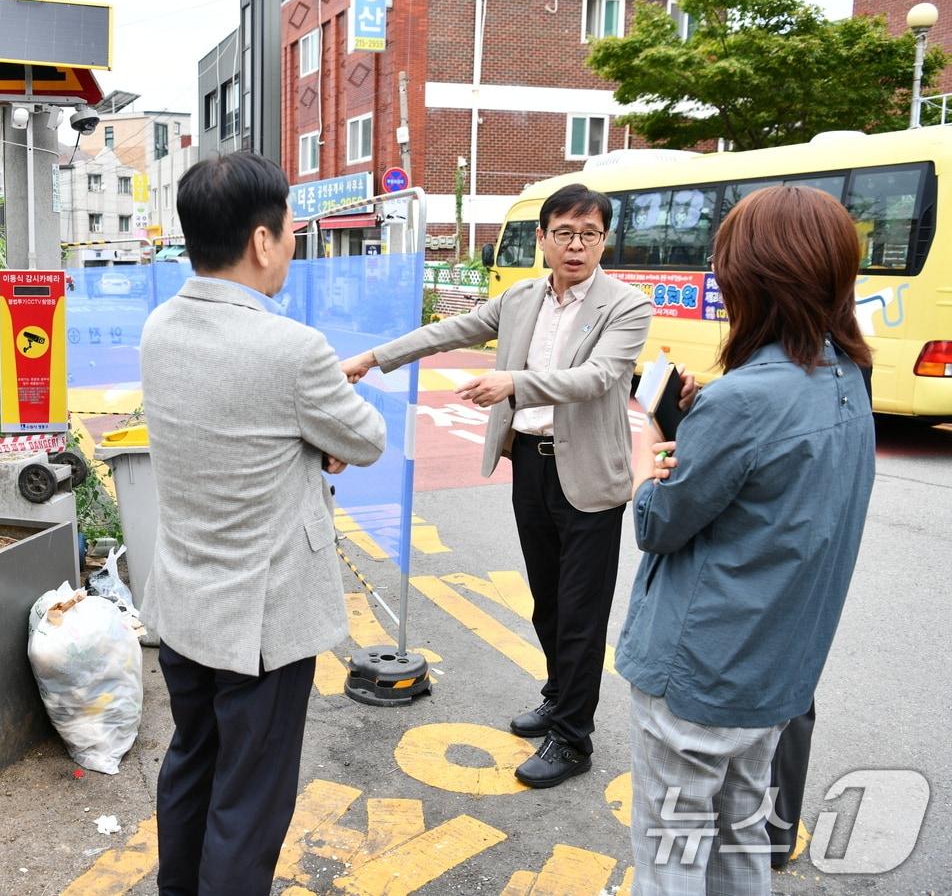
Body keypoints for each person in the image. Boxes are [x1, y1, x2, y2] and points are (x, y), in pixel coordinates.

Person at [342, 183, 653, 787]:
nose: (576, 246)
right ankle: (558, 698)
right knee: (546, 600)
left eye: (589, 234)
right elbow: (451, 331)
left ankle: (573, 738)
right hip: (531, 462)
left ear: (604, 240)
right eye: (564, 233)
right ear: (542, 238)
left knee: (581, 612)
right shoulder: (521, 298)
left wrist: (514, 383)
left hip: (591, 475)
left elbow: (597, 377)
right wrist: (373, 358)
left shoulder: (625, 306)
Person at [140, 151, 387, 896]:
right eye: (289, 230)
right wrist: (316, 437)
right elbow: (367, 438)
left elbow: (236, 430)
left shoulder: (160, 328)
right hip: (263, 620)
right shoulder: (292, 349)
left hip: (185, 601)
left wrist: (303, 439)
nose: (291, 243)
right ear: (260, 240)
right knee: (249, 800)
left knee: (193, 761)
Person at [619, 184, 875, 893]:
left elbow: (658, 524)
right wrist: (704, 421)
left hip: (700, 671)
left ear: (754, 279)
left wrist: (645, 463)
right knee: (741, 838)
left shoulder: (743, 400)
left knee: (672, 856)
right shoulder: (848, 376)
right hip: (776, 670)